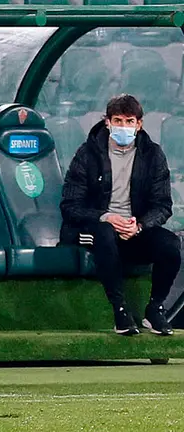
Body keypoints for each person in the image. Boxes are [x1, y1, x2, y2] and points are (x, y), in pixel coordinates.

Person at [60, 94, 180, 336]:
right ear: (107, 122)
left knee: (171, 244)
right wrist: (106, 217)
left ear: (139, 124)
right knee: (105, 233)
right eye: (117, 120)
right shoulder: (88, 154)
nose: (123, 126)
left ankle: (155, 309)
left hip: (133, 231)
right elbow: (70, 206)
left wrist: (140, 225)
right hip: (92, 230)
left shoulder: (153, 155)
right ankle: (120, 310)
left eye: (129, 121)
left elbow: (163, 206)